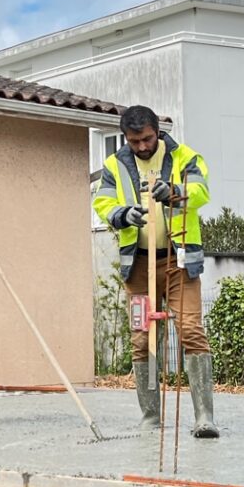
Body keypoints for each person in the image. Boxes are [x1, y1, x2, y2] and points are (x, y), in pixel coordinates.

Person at [94, 105, 216, 437]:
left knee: (190, 329)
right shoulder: (114, 165)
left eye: (147, 139)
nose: (142, 146)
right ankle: (150, 416)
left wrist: (174, 191)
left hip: (180, 262)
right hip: (138, 265)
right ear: (125, 137)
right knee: (141, 338)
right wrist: (123, 214)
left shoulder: (185, 157)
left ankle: (204, 417)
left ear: (157, 132)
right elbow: (102, 203)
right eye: (135, 141)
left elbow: (201, 191)